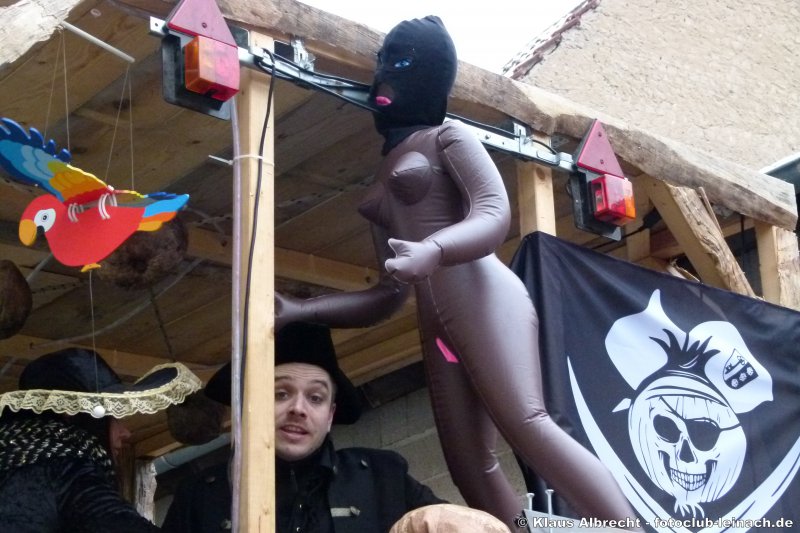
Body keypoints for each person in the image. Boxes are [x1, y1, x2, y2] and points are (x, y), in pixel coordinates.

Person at [274, 15, 640, 530]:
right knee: (468, 461)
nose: (385, 76)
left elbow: (493, 213)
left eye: (402, 62)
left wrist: (435, 249)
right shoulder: (384, 177)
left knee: (528, 424)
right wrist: (300, 310)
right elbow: (386, 295)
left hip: (483, 296)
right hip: (439, 321)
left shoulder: (448, 136)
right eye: (384, 62)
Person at [163, 321, 445, 533]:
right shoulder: (200, 496)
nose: (298, 408)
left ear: (330, 415)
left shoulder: (384, 477)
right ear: (251, 405)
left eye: (316, 398)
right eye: (280, 394)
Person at [0, 347, 202, 532]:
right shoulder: (66, 468)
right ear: (73, 414)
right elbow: (117, 524)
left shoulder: (14, 461)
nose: (125, 432)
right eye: (111, 417)